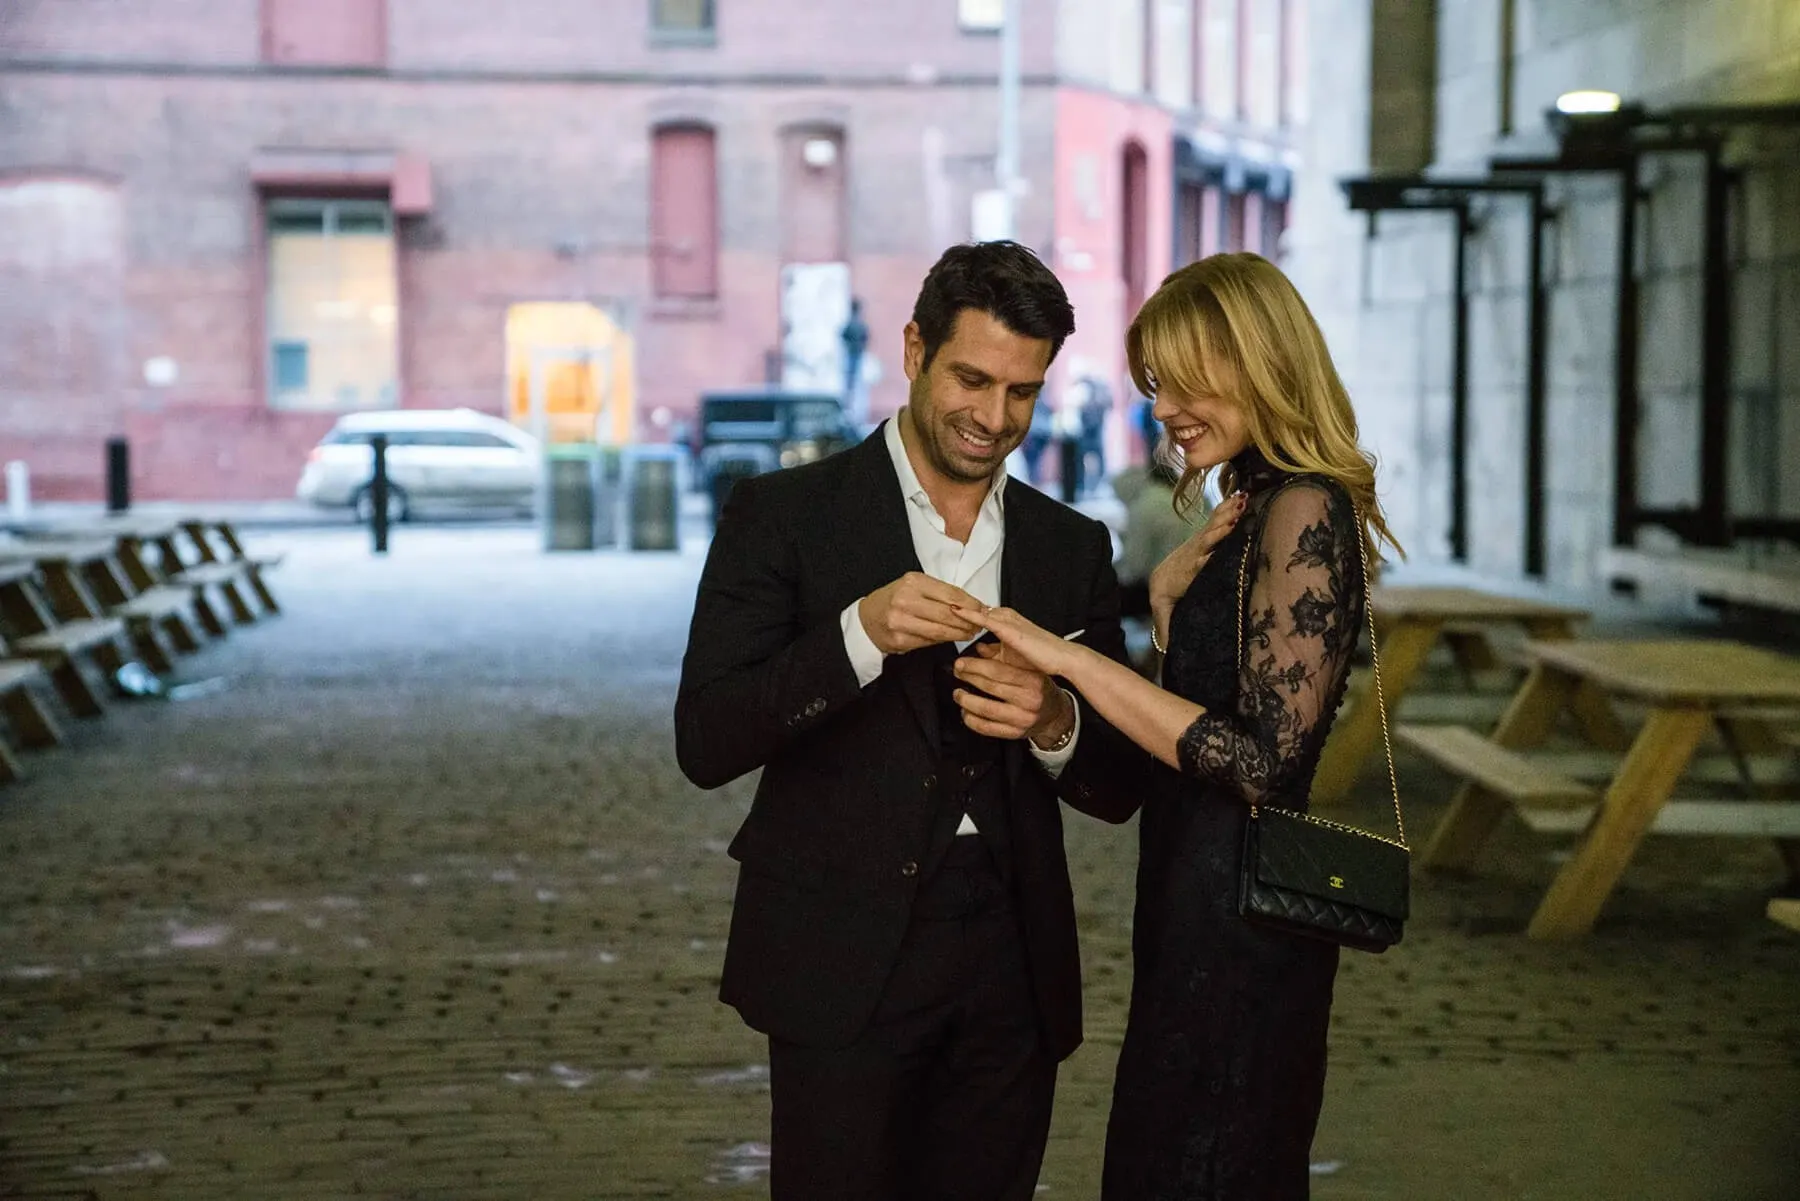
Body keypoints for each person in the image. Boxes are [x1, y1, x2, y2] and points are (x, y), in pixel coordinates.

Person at [675, 241, 1133, 1200]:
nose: (994, 417)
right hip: (838, 954)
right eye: (972, 378)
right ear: (915, 348)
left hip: (1012, 952)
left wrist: (1054, 720)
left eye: (1023, 391)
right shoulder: (783, 515)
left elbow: (1118, 786)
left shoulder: (1069, 545)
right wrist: (857, 635)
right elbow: (707, 738)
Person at [965, 252, 1404, 1200]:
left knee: (1213, 1166)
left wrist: (1074, 659)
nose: (1162, 408)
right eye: (1155, 385)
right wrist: (1166, 618)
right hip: (1193, 905)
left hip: (1246, 928)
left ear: (1258, 361)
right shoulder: (1248, 505)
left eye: (1182, 381)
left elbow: (1259, 758)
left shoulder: (1302, 504)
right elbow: (1203, 717)